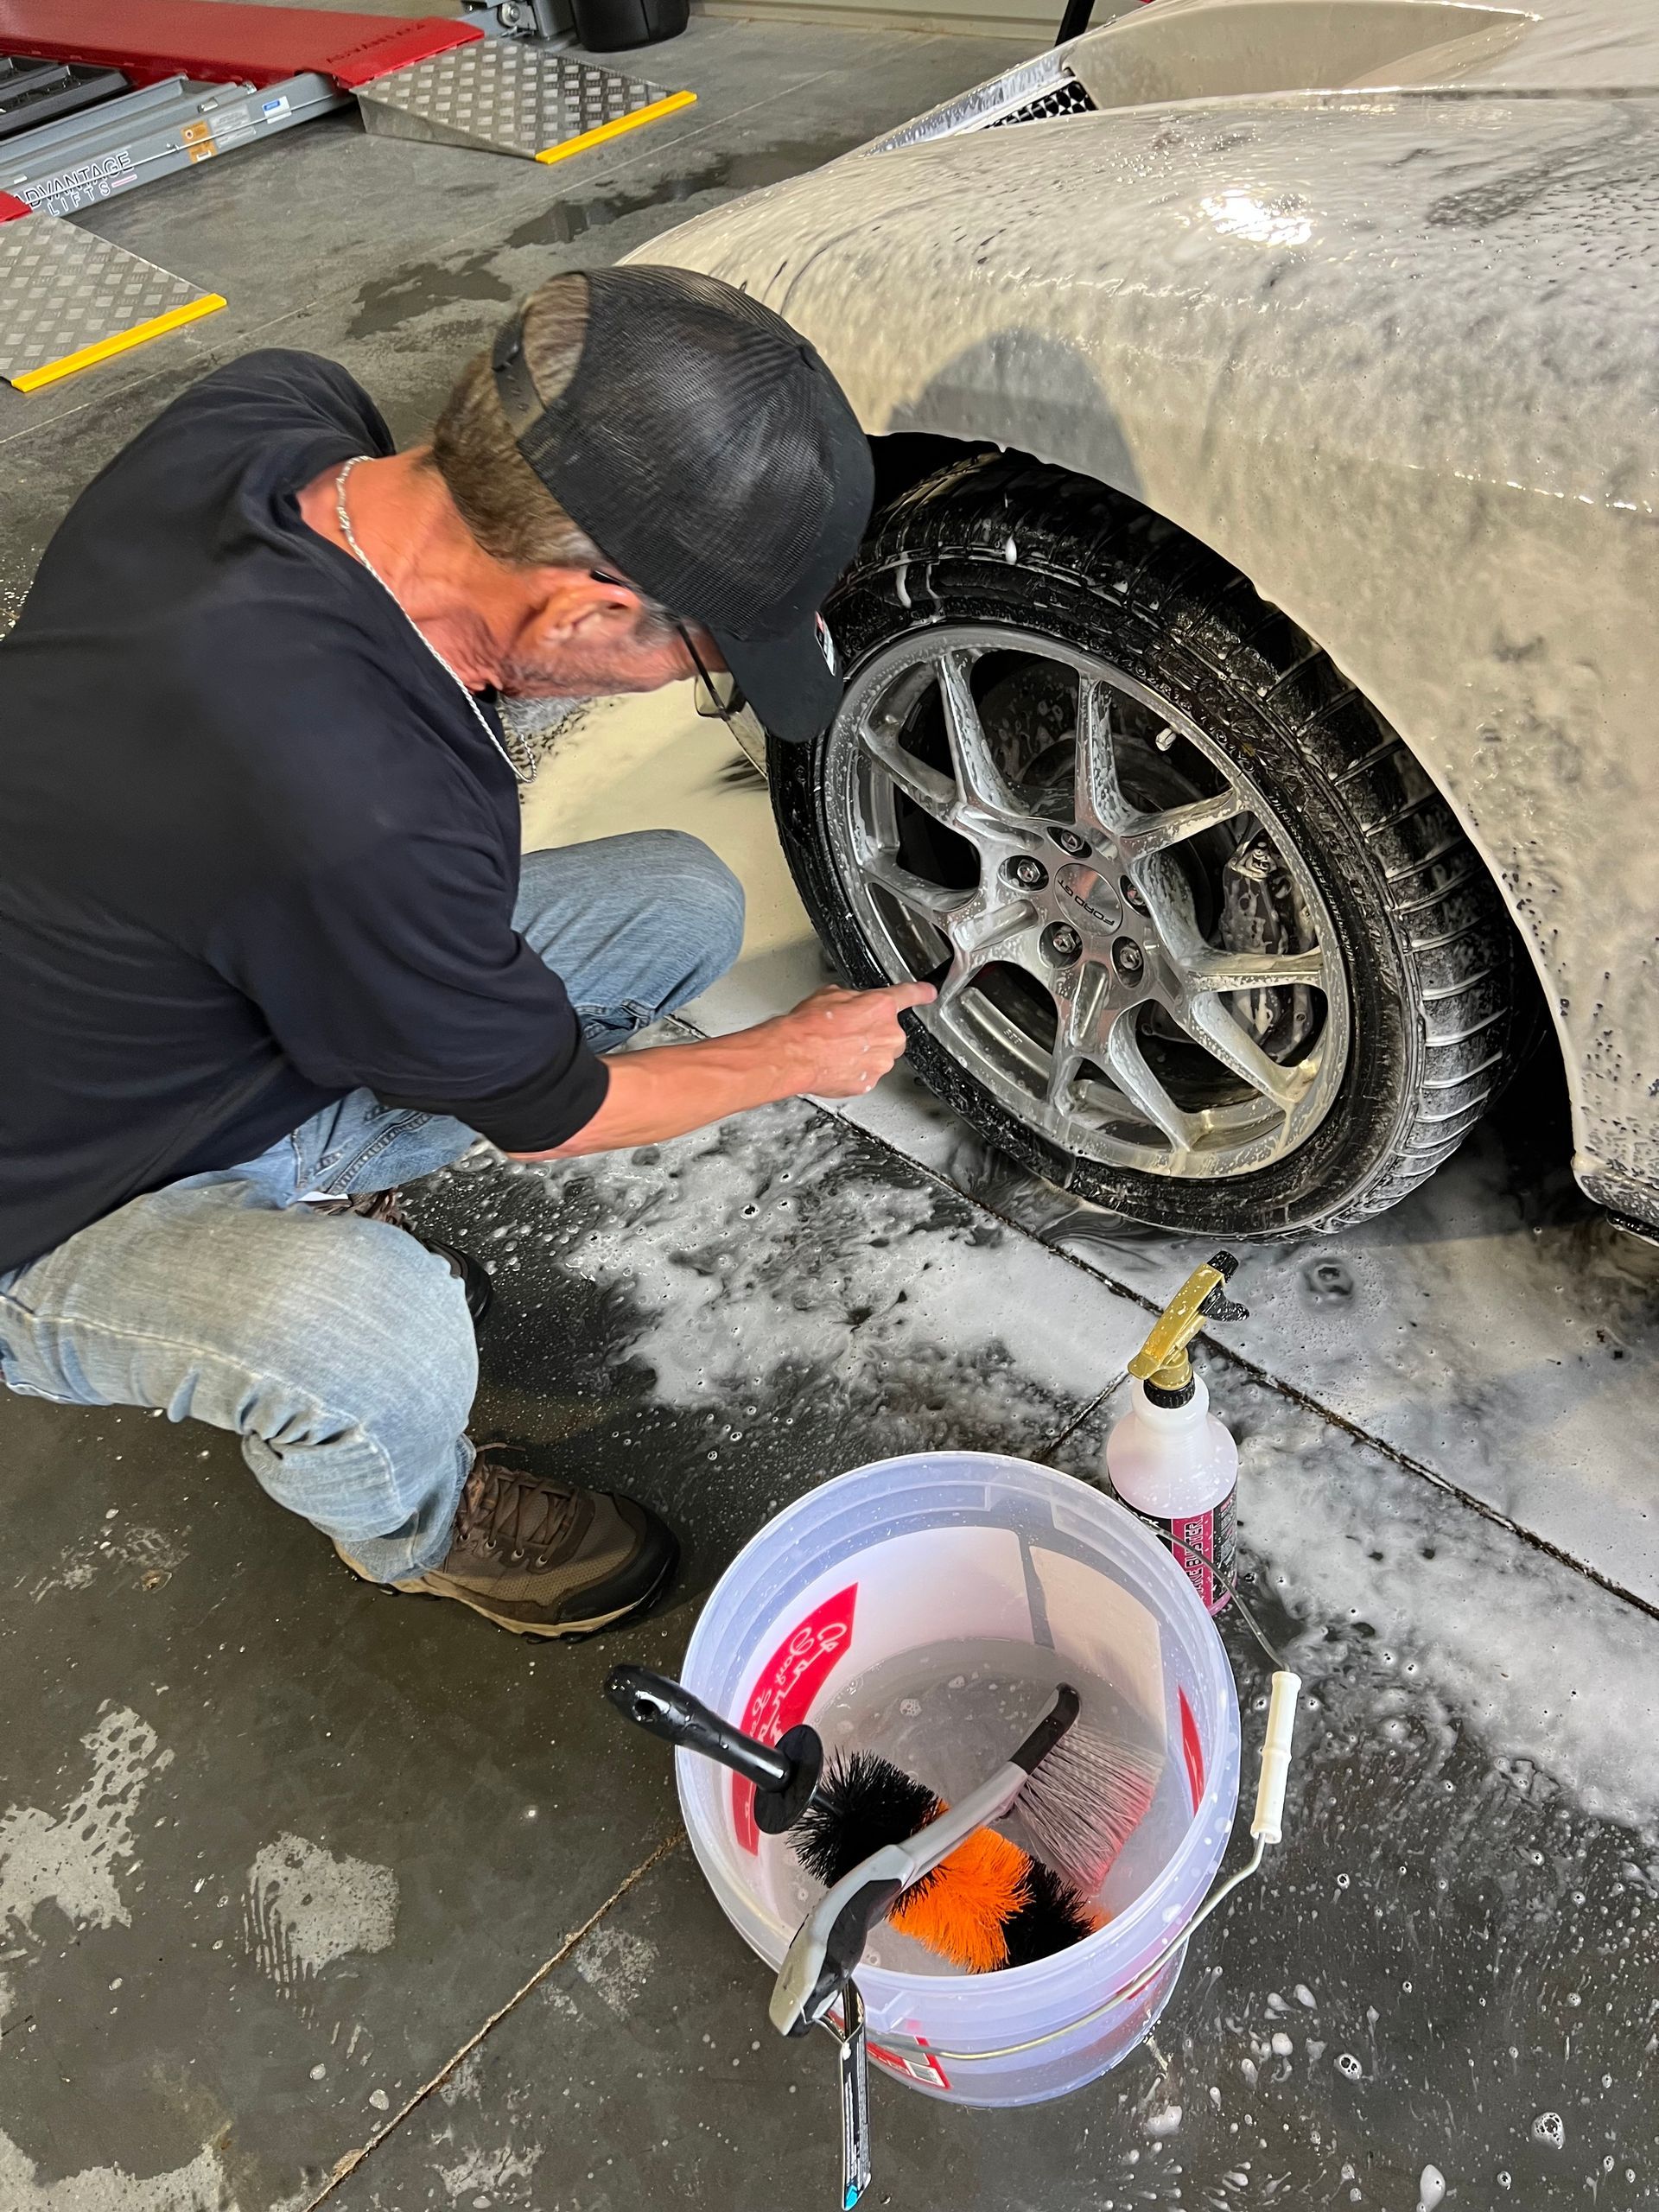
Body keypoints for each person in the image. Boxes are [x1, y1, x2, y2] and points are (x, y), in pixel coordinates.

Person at [0, 265, 933, 1639]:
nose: (689, 688)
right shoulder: (364, 815)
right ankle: (416, 1526)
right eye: (701, 662)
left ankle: (306, 1190)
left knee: (674, 902)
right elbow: (557, 1124)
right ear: (579, 611)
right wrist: (794, 1056)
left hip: (167, 980)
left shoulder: (267, 413)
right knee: (381, 1332)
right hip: (57, 1201)